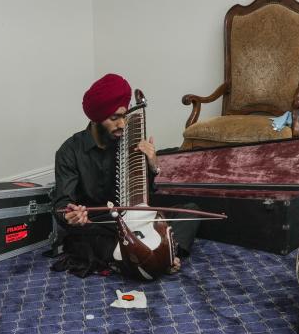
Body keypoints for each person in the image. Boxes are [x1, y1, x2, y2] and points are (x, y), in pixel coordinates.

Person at [51, 73, 199, 277]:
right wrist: (71, 215)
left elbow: (142, 198)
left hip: (134, 217)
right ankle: (157, 255)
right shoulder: (70, 151)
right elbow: (61, 204)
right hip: (99, 224)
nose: (122, 124)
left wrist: (152, 165)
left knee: (190, 211)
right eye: (114, 118)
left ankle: (161, 254)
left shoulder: (128, 143)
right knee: (81, 241)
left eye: (124, 115)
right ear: (96, 119)